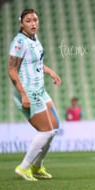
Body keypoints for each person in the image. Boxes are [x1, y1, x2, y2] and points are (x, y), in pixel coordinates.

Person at [8, 9, 62, 181]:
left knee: (54, 128)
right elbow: (12, 70)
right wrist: (23, 94)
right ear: (21, 23)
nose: (33, 23)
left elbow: (36, 63)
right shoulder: (19, 42)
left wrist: (50, 71)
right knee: (46, 131)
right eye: (29, 21)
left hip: (40, 90)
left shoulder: (34, 39)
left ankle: (37, 167)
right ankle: (23, 167)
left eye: (35, 20)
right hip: (28, 91)